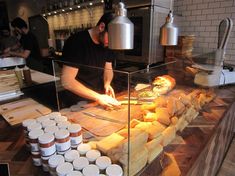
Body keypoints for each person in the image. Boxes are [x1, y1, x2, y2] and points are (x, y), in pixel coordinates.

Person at [61, 12, 120, 108]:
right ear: (101, 27)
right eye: (110, 39)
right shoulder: (77, 42)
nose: (110, 44)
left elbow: (108, 68)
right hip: (77, 101)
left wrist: (107, 84)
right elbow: (66, 81)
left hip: (98, 98)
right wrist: (98, 97)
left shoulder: (108, 43)